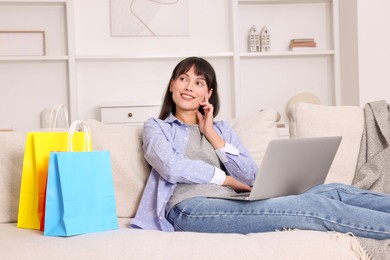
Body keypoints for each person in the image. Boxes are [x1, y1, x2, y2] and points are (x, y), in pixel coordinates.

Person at [130, 57, 390, 240]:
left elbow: (251, 177)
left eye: (198, 82)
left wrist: (211, 135)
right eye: (183, 78)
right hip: (188, 208)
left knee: (333, 191)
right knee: (315, 209)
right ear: (172, 85)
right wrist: (226, 179)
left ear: (208, 93)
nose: (189, 86)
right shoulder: (157, 127)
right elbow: (172, 167)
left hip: (232, 200)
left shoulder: (220, 130)